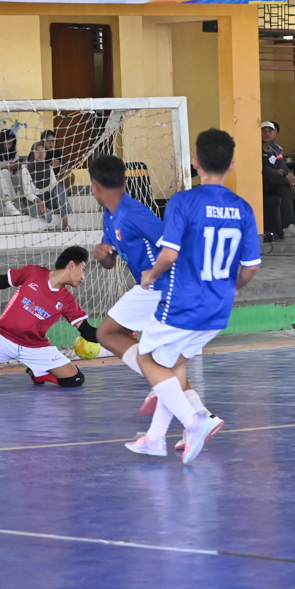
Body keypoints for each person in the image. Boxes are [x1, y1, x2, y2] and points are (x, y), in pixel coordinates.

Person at [127, 128, 259, 464]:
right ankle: (155, 439)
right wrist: (232, 289)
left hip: (183, 301)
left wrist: (150, 274)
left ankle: (194, 420)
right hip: (218, 306)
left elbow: (169, 255)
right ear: (231, 165)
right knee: (172, 365)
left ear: (195, 162)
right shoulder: (243, 208)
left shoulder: (183, 202)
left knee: (147, 359)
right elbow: (251, 267)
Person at [89, 153, 216, 431]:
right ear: (124, 180)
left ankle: (165, 390)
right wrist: (102, 255)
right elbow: (110, 261)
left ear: (94, 187)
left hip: (159, 287)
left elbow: (173, 246)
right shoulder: (110, 215)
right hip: (152, 288)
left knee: (107, 333)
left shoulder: (134, 213)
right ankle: (202, 414)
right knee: (163, 360)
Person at [0, 247, 91, 392]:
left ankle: (40, 375)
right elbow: (2, 281)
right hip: (3, 337)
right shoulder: (34, 272)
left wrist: (109, 335)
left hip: (35, 347)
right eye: (83, 269)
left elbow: (86, 330)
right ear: (72, 265)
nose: (83, 277)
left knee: (75, 379)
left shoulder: (68, 300)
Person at [260, 121, 295, 239]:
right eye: (263, 130)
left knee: (285, 189)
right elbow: (264, 166)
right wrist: (285, 174)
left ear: (275, 133)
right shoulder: (255, 148)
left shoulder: (275, 149)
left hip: (274, 183)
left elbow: (282, 166)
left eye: (270, 131)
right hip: (261, 182)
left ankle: (289, 226)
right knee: (267, 169)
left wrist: (291, 176)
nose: (267, 133)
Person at [21, 140, 69, 229]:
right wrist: (40, 202)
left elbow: (54, 187)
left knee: (60, 187)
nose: (40, 153)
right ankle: (55, 211)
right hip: (34, 202)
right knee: (33, 209)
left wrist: (48, 200)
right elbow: (28, 193)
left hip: (48, 200)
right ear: (33, 153)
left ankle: (65, 220)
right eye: (37, 151)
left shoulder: (49, 168)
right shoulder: (26, 169)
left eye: (43, 150)